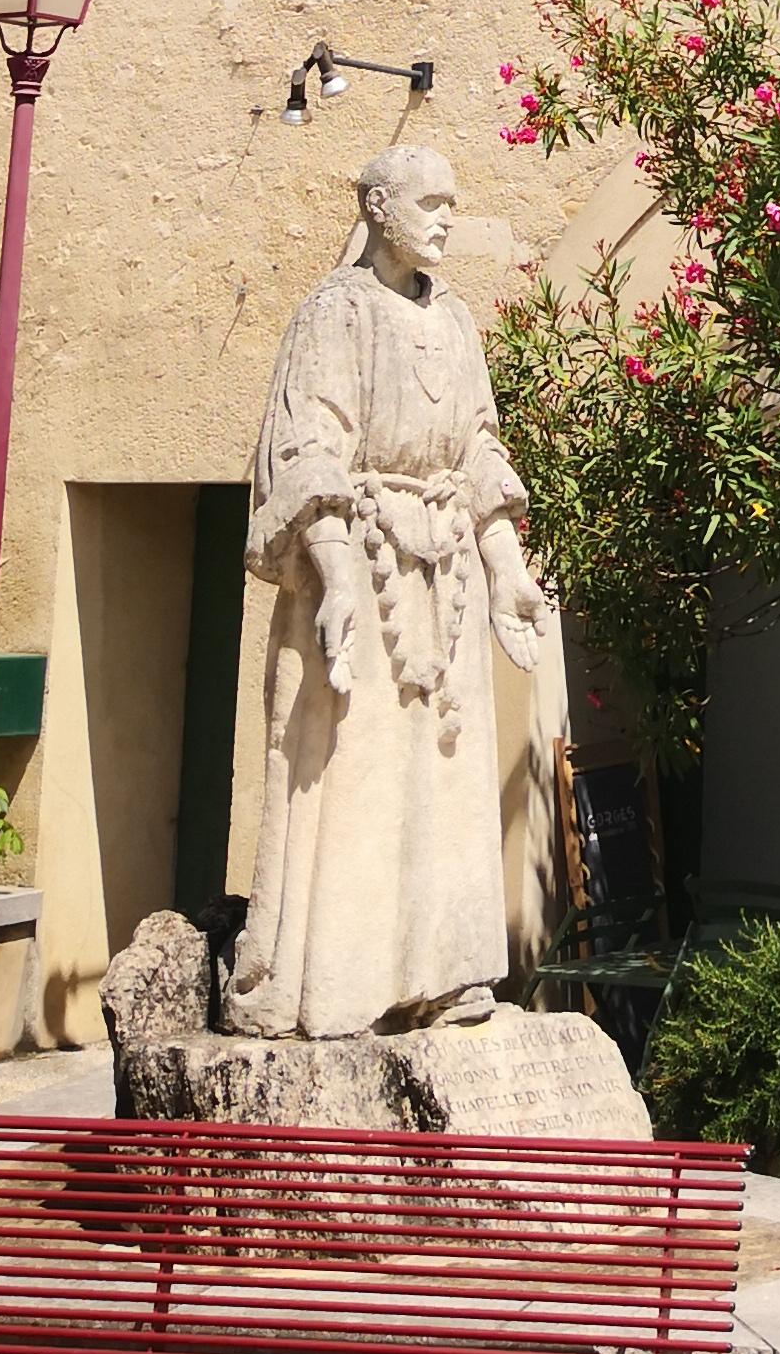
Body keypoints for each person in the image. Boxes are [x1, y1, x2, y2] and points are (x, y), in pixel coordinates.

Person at [223, 143, 553, 1038]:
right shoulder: (332, 314)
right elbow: (307, 450)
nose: (446, 218)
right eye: (429, 202)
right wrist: (332, 573)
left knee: (441, 776)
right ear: (377, 207)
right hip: (359, 566)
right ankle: (343, 981)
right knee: (358, 775)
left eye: (454, 202)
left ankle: (442, 974)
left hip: (443, 567)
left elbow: (480, 446)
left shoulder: (457, 321)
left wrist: (505, 567)